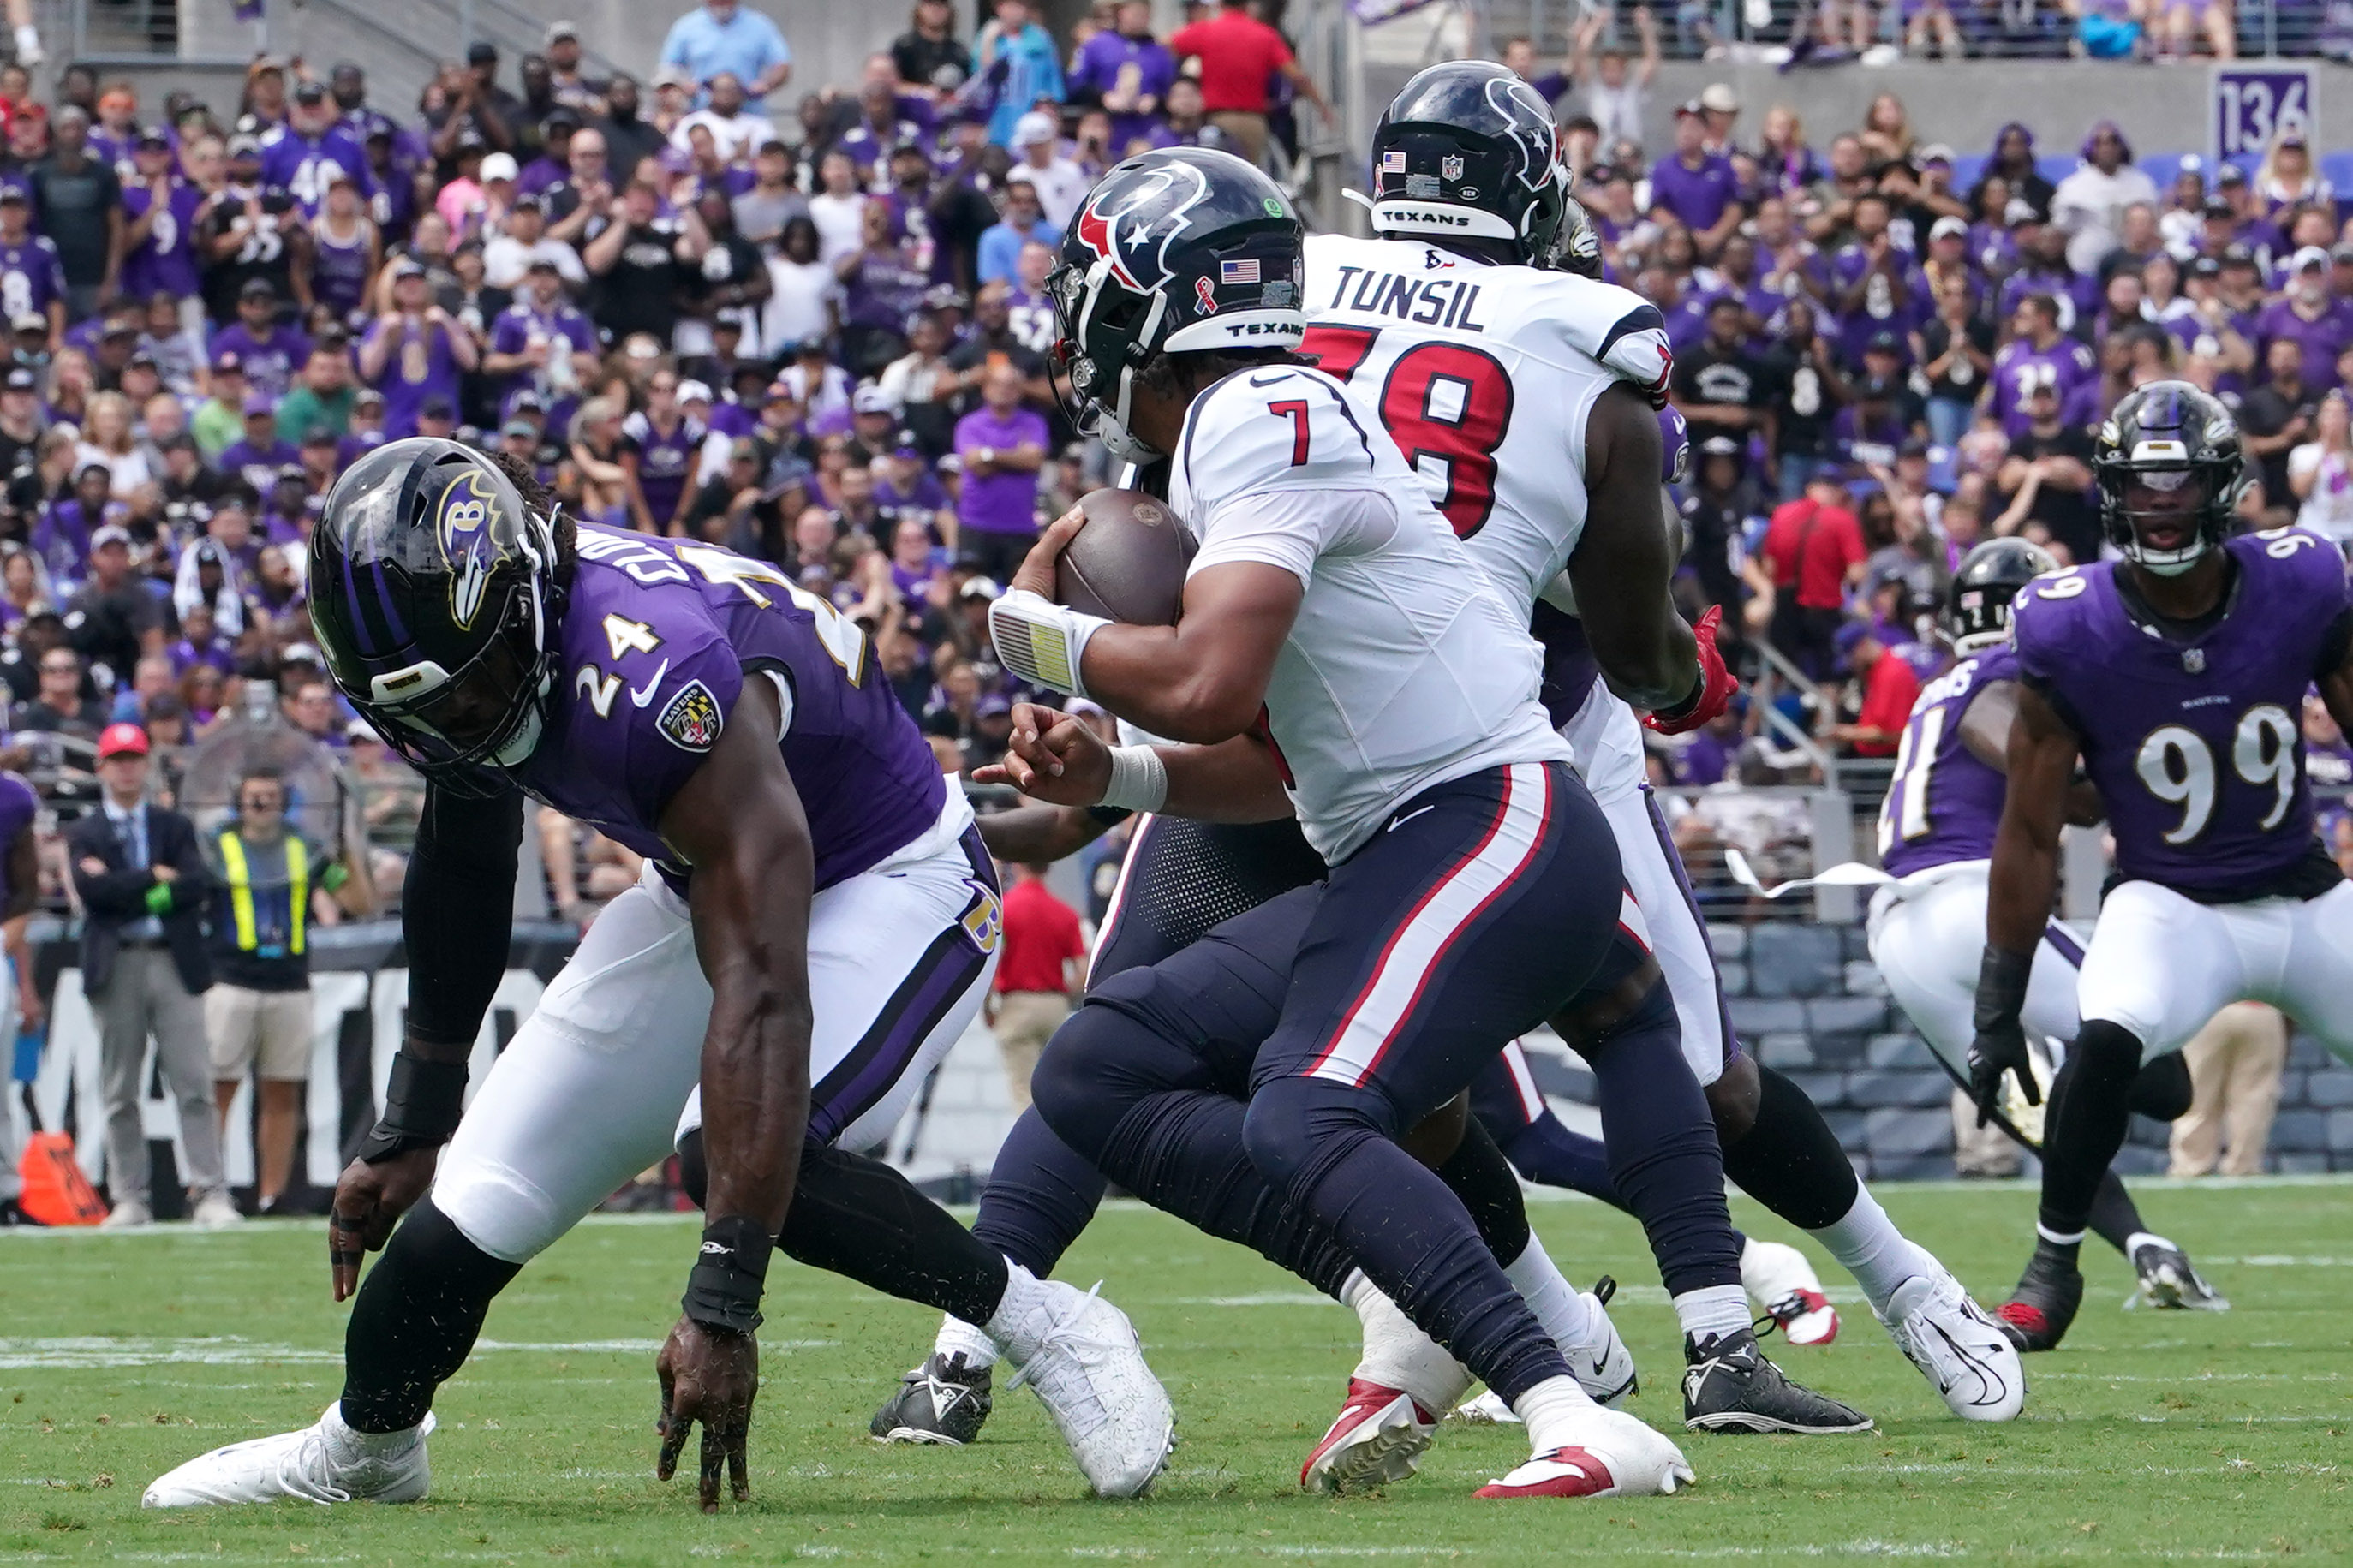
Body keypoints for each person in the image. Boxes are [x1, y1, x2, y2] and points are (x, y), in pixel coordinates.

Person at [145, 440, 1174, 1511]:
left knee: (757, 1159)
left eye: (474, 690)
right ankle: (363, 1456)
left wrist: (722, 1299)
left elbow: (765, 985)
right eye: (431, 712)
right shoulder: (462, 653)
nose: (463, 724)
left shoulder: (652, 671)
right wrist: (416, 1117)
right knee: (465, 1215)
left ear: (521, 594)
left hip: (888, 878)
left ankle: (1048, 1326)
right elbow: (464, 858)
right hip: (703, 880)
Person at [982, 144, 1702, 1502]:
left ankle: (1567, 1407)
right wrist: (1115, 780)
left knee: (1303, 1111)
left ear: (1151, 302)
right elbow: (1283, 760)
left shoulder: (1256, 413)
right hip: (1414, 827)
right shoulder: (1251, 423)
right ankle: (1410, 1293)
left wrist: (1031, 635)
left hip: (1493, 824)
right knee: (1098, 1065)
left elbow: (1207, 683)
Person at [1973, 381, 2353, 1354]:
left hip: (2302, 894)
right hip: (2169, 902)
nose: (2161, 505)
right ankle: (2051, 1262)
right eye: (2142, 486)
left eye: (2179, 484)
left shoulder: (2303, 578)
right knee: (2104, 1037)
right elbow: (2025, 831)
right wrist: (1995, 1005)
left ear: (2222, 489)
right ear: (2110, 493)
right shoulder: (2067, 625)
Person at [70, 722, 230, 1230]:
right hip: (118, 960)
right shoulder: (86, 831)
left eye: (134, 758)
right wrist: (152, 880)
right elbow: (94, 896)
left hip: (169, 957)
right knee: (120, 1088)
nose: (126, 767)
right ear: (102, 767)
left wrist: (132, 887)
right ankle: (129, 1196)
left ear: (145, 764)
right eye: (117, 759)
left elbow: (197, 884)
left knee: (194, 1081)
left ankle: (209, 1190)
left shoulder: (171, 825)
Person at [208, 768, 359, 1216]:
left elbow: (356, 899)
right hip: (232, 977)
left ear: (283, 802)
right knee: (220, 1087)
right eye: (253, 797)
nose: (261, 805)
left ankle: (273, 1195)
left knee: (283, 1090)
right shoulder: (218, 845)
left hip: (291, 981)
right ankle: (208, 1188)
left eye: (270, 797)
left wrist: (351, 847)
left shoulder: (304, 849)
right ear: (239, 801)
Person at [1167, 0, 1330, 169]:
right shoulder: (1265, 34)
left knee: (1217, 172)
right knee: (1251, 176)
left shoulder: (1207, 30)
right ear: (1249, 5)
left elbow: (1164, 45)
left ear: (1220, 4)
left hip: (1217, 119)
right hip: (1254, 121)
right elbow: (1298, 77)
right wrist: (1323, 108)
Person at [988, 860, 1084, 1111]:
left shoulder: (1005, 909)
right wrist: (1065, 997)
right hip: (1055, 1005)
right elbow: (1083, 970)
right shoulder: (1065, 912)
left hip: (1017, 1004)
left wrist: (988, 1008)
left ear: (1018, 865)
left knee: (1024, 1095)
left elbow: (991, 965)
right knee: (1055, 1090)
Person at [2167, 1002, 2287, 1177]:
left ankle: (2191, 1166)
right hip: (2259, 1009)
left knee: (2196, 1093)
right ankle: (2244, 1166)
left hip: (2207, 1011)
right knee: (2254, 1098)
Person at [951, 362, 1047, 581]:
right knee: (970, 592)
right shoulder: (970, 424)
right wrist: (1016, 456)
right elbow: (976, 465)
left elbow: (1033, 461)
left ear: (1020, 390)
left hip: (1020, 525)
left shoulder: (1033, 424)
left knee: (1022, 594)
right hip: (977, 523)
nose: (1004, 390)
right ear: (985, 388)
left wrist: (989, 454)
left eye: (1012, 385)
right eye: (997, 384)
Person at [0, 765, 41, 1226]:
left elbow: (24, 891)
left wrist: (25, 984)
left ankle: (5, 1193)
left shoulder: (12, 797)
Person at [658, 0, 793, 112]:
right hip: (702, 116)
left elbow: (782, 65)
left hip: (749, 114)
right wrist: (683, 84)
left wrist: (766, 84)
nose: (721, 5)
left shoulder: (760, 25)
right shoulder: (686, 27)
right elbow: (668, 67)